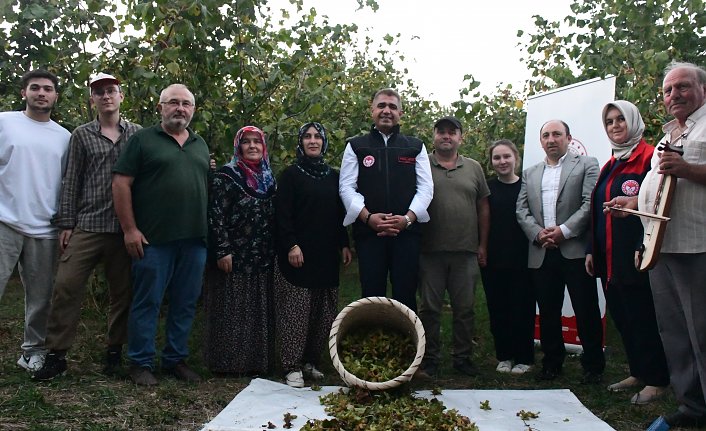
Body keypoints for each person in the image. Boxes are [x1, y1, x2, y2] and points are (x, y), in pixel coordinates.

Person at [32, 73, 141, 381]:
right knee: (66, 286)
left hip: (123, 229)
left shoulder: (138, 135)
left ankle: (114, 352)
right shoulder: (81, 134)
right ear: (92, 99)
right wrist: (66, 222)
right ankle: (56, 355)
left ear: (121, 96)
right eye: (99, 92)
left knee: (123, 293)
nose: (106, 96)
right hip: (89, 224)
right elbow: (71, 181)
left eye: (111, 91)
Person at [112, 84, 209, 386]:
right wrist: (130, 229)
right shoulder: (142, 140)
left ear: (193, 110)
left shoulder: (199, 144)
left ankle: (175, 360)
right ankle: (140, 362)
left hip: (194, 240)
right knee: (148, 302)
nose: (180, 109)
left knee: (185, 302)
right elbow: (121, 184)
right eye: (174, 103)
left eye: (186, 104)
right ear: (160, 107)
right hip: (153, 240)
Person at [584, 100, 669, 404]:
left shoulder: (650, 158)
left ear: (634, 121)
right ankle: (638, 371)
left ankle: (658, 380)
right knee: (624, 318)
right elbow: (597, 210)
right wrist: (592, 250)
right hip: (610, 259)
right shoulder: (612, 163)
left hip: (638, 256)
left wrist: (640, 246)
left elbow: (659, 203)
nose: (615, 125)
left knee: (643, 317)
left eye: (621, 119)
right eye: (609, 121)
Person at [640, 62, 706, 428]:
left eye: (682, 86)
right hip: (661, 246)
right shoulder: (667, 135)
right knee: (676, 333)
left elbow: (682, 175)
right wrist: (631, 204)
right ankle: (692, 407)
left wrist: (689, 170)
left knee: (703, 333)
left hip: (698, 247)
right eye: (667, 90)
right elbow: (661, 189)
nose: (674, 95)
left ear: (702, 89)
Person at [516, 119, 605, 384]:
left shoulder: (588, 164)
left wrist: (563, 231)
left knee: (585, 309)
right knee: (548, 311)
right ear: (540, 141)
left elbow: (590, 202)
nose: (551, 139)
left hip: (574, 249)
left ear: (568, 137)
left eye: (557, 134)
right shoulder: (530, 172)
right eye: (546, 135)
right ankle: (552, 363)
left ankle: (593, 366)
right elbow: (522, 210)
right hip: (542, 251)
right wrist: (538, 233)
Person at [0, 69, 71, 373]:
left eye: (48, 89)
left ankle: (32, 352)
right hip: (4, 221)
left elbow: (69, 182)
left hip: (45, 228)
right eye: (35, 88)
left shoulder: (65, 137)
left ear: (55, 96)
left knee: (40, 298)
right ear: (23, 93)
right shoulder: (5, 122)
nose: (42, 93)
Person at [339, 88, 433, 311]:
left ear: (401, 112)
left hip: (407, 235)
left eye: (392, 107)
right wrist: (368, 218)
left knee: (405, 294)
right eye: (381, 106)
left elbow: (426, 188)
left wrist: (407, 219)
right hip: (369, 235)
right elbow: (346, 187)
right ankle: (374, 344)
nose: (386, 111)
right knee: (371, 296)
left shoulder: (416, 146)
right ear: (372, 110)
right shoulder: (356, 146)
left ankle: (410, 345)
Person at [274, 122, 352, 387]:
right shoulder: (290, 175)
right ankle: (290, 366)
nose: (313, 141)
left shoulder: (334, 176)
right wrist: (291, 245)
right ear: (300, 142)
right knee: (297, 312)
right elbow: (282, 216)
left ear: (324, 142)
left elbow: (340, 215)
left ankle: (310, 362)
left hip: (326, 256)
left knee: (323, 313)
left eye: (318, 136)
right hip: (299, 255)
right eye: (307, 136)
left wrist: (344, 244)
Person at [416, 116, 488, 378]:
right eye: (441, 132)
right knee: (429, 309)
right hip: (429, 251)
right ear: (433, 136)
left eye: (452, 132)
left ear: (460, 137)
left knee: (465, 309)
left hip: (465, 251)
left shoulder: (474, 167)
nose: (446, 136)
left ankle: (463, 358)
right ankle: (429, 358)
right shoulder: (422, 165)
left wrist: (483, 244)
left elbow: (483, 206)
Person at [205, 125, 277, 375]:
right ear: (238, 146)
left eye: (257, 142)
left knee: (257, 308)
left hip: (262, 254)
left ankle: (257, 363)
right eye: (246, 142)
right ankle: (229, 364)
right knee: (233, 308)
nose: (253, 146)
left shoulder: (268, 177)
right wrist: (222, 249)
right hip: (234, 254)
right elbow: (216, 215)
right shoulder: (227, 175)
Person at [480, 140, 536, 375]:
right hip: (493, 258)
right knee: (498, 308)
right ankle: (504, 355)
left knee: (522, 307)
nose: (502, 162)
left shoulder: (528, 187)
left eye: (506, 157)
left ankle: (524, 357)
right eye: (497, 158)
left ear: (516, 158)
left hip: (524, 257)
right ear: (491, 162)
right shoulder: (487, 189)